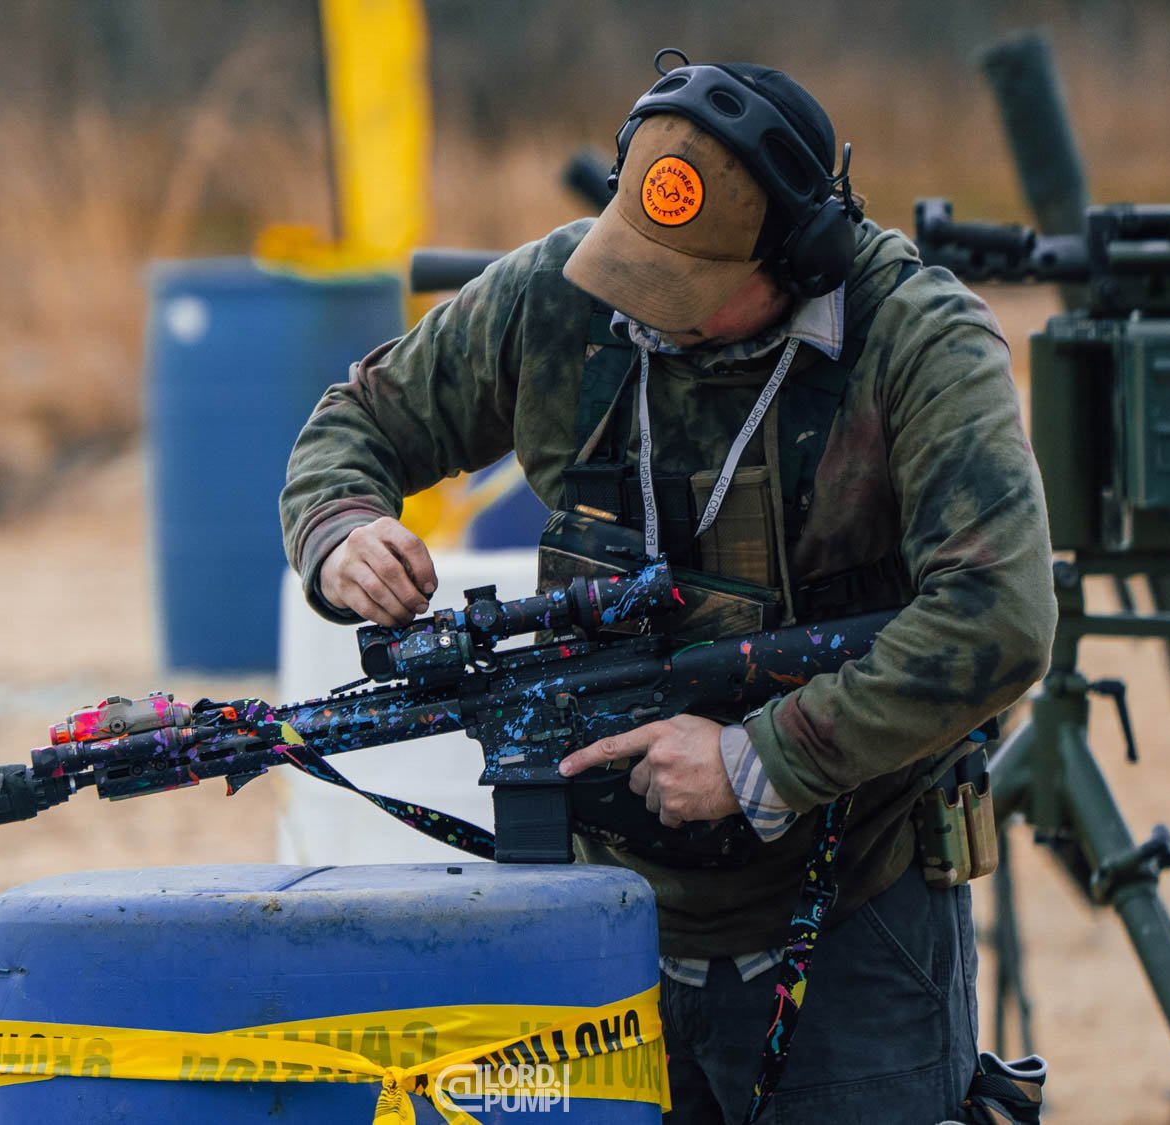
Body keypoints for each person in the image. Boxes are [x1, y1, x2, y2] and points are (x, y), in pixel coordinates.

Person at [281, 54, 1056, 1125]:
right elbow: (361, 419)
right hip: (599, 912)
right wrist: (342, 531)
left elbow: (997, 616)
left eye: (688, 288)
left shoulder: (917, 342)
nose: (647, 311)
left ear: (802, 256)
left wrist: (761, 757)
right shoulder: (557, 296)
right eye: (635, 268)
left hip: (849, 908)